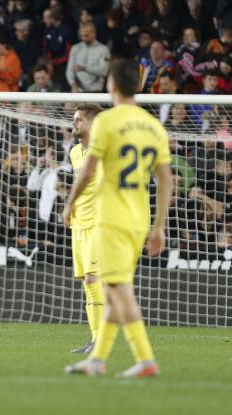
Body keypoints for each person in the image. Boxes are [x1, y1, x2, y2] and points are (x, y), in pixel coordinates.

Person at [63, 59, 173, 378]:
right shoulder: (153, 126)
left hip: (109, 218)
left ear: (112, 85)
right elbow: (166, 179)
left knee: (119, 288)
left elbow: (88, 168)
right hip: (139, 218)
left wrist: (69, 202)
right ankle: (97, 359)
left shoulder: (107, 122)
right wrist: (159, 227)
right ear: (137, 86)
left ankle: (145, 358)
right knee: (112, 289)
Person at [65, 104, 105, 354]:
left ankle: (101, 340)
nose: (74, 123)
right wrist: (69, 207)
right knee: (88, 284)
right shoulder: (74, 153)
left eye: (79, 120)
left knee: (94, 280)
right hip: (78, 226)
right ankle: (95, 338)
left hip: (100, 224)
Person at [66, 22, 110, 93]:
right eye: (82, 36)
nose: (83, 38)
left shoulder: (103, 49)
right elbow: (70, 69)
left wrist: (84, 68)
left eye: (86, 36)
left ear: (94, 34)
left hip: (95, 90)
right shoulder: (75, 48)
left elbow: (104, 71)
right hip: (77, 90)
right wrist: (73, 84)